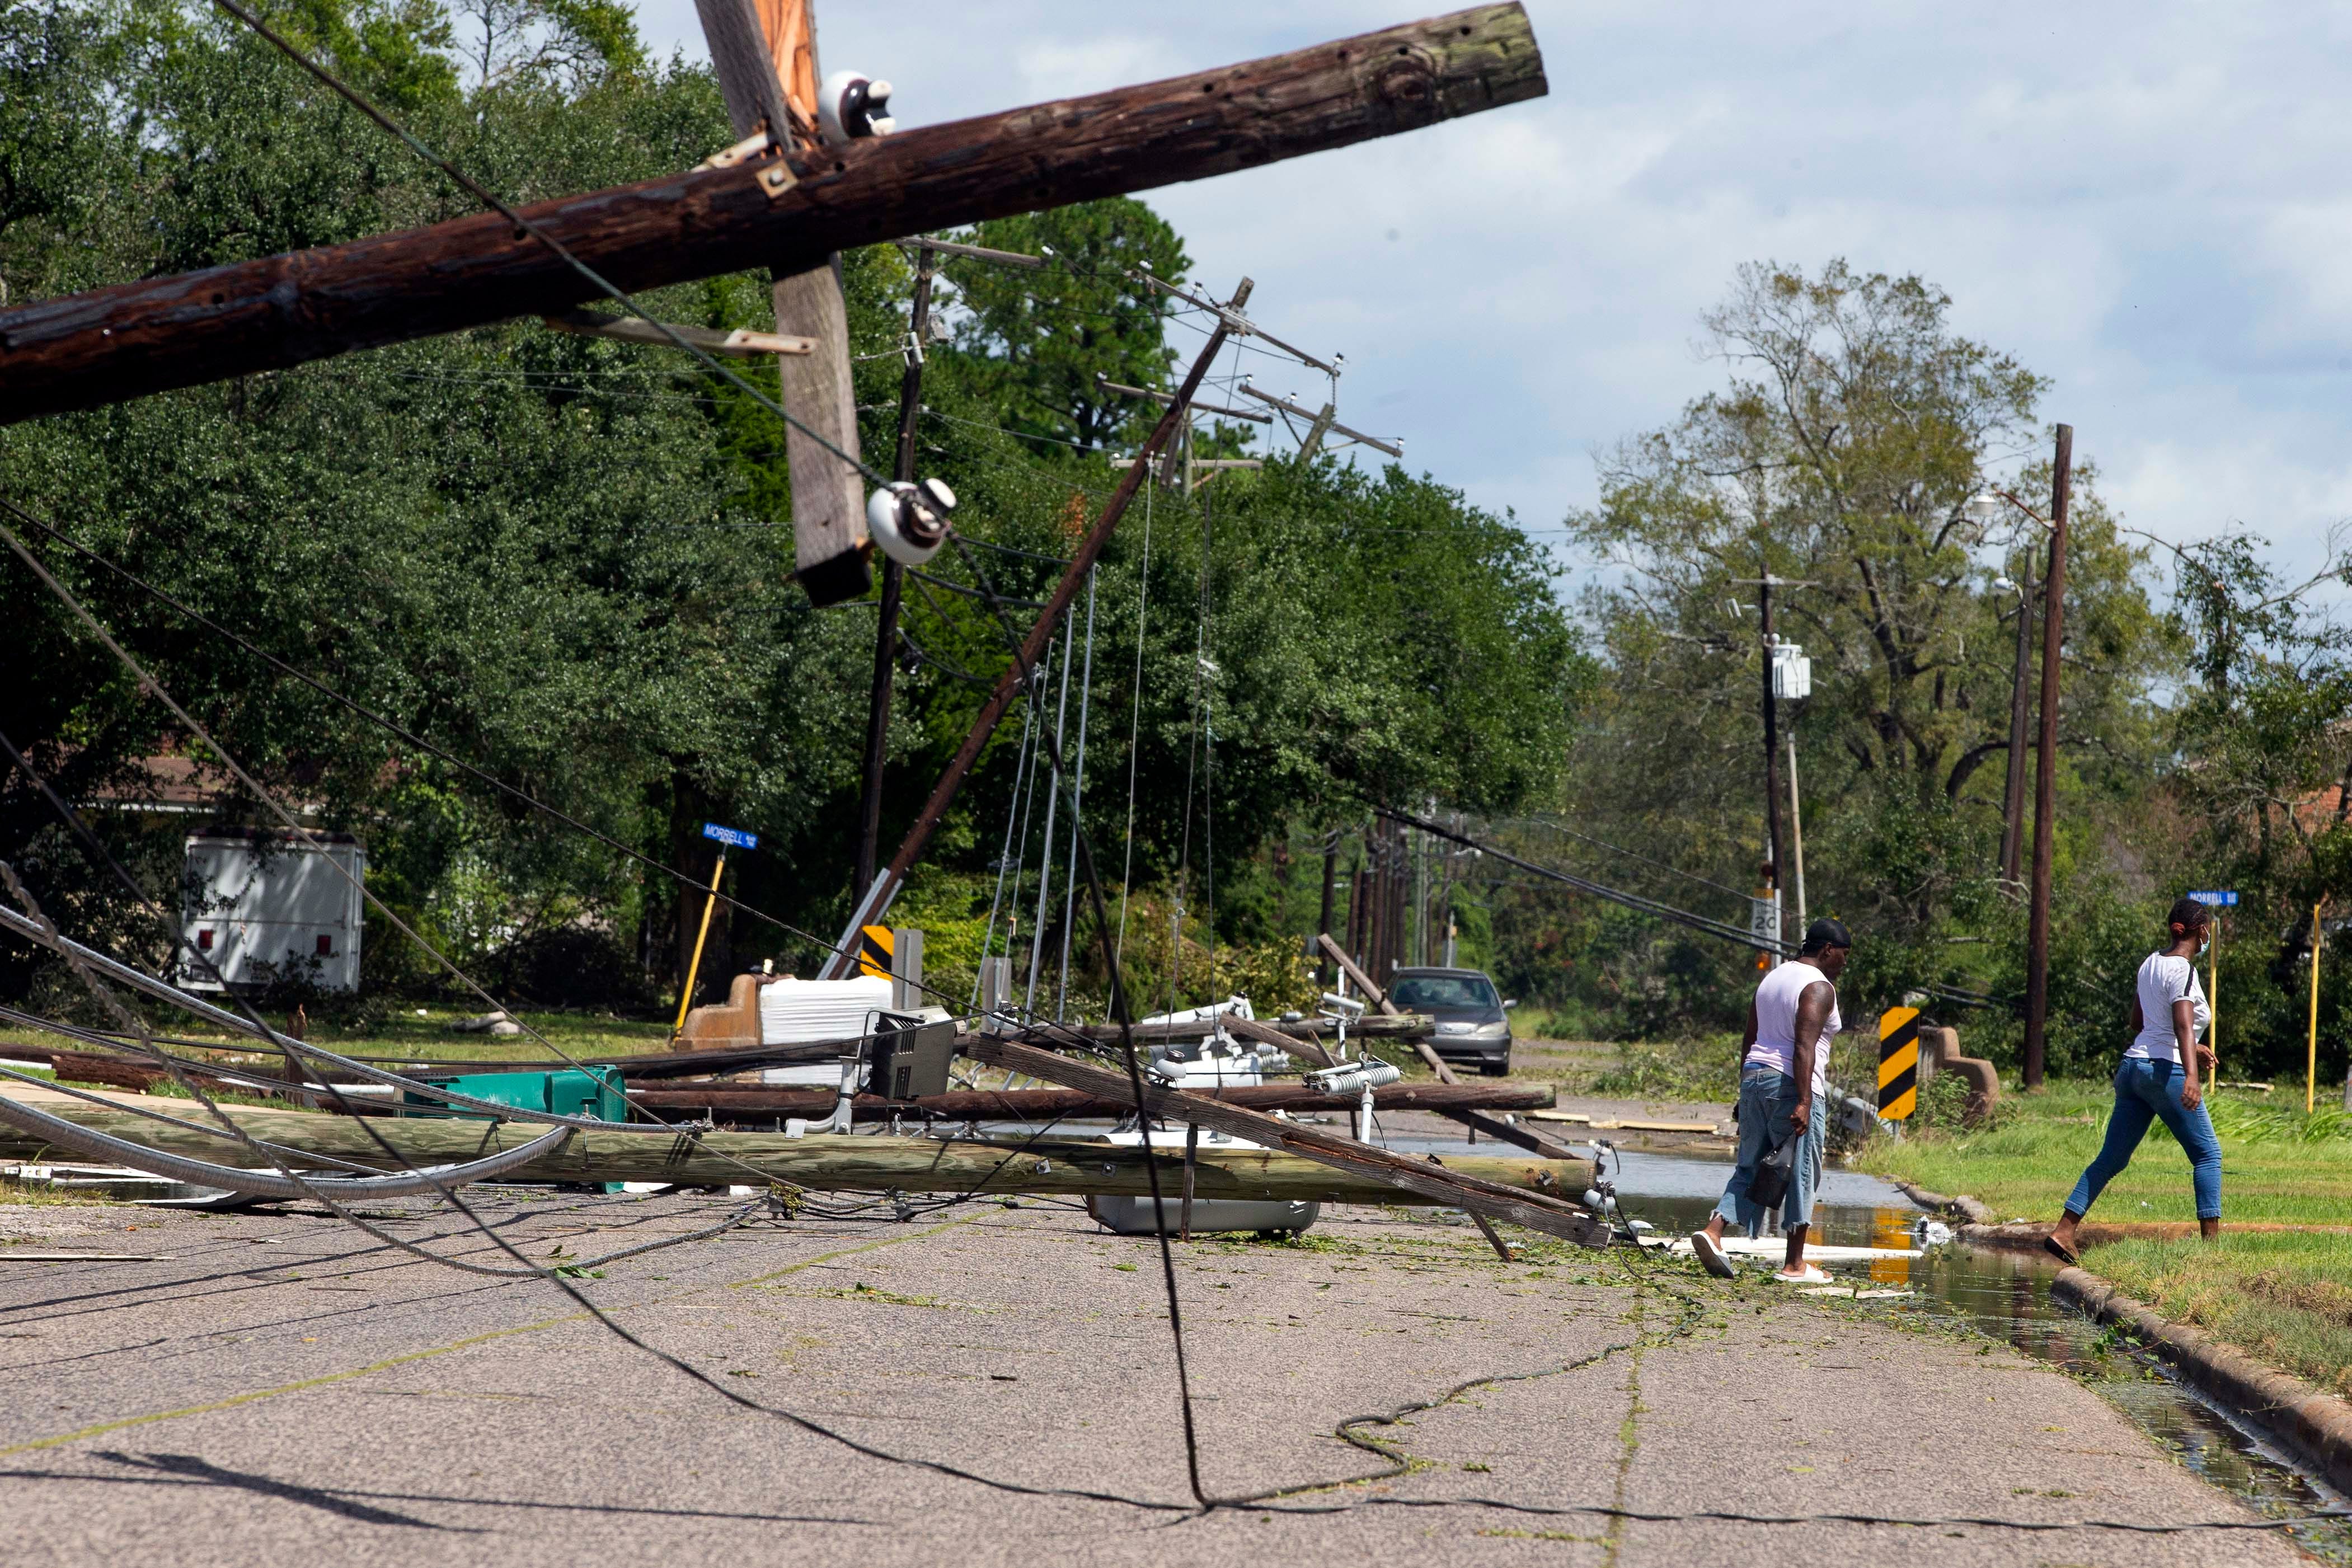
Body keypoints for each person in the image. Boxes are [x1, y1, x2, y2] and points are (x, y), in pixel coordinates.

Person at [2045, 898, 2222, 1265]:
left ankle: (2064, 1231)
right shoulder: (2183, 970)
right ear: (2197, 930)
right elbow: (2181, 1024)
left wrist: (2192, 1047)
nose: (2208, 934)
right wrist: (2190, 1074)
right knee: (2207, 1155)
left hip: (2132, 1068)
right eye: (2206, 928)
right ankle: (2211, 1255)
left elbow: (2137, 1021)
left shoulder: (2149, 963)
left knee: (2111, 1158)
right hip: (2164, 1071)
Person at [1688, 918, 1850, 1283]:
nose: (1844, 963)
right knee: (1799, 1170)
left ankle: (1713, 1231)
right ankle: (1794, 1265)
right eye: (1843, 956)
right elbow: (1803, 1045)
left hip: (1755, 1077)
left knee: (1751, 1164)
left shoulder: (1773, 978)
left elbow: (1750, 1036)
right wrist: (1805, 1101)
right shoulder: (1818, 987)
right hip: (1790, 1085)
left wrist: (1744, 1089)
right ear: (1826, 951)